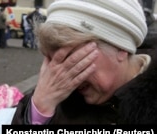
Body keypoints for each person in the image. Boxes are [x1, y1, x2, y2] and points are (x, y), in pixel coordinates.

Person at [11, 0, 157, 125]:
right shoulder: (58, 98)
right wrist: (38, 111)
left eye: (73, 57)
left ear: (121, 49)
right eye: (52, 59)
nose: (60, 72)